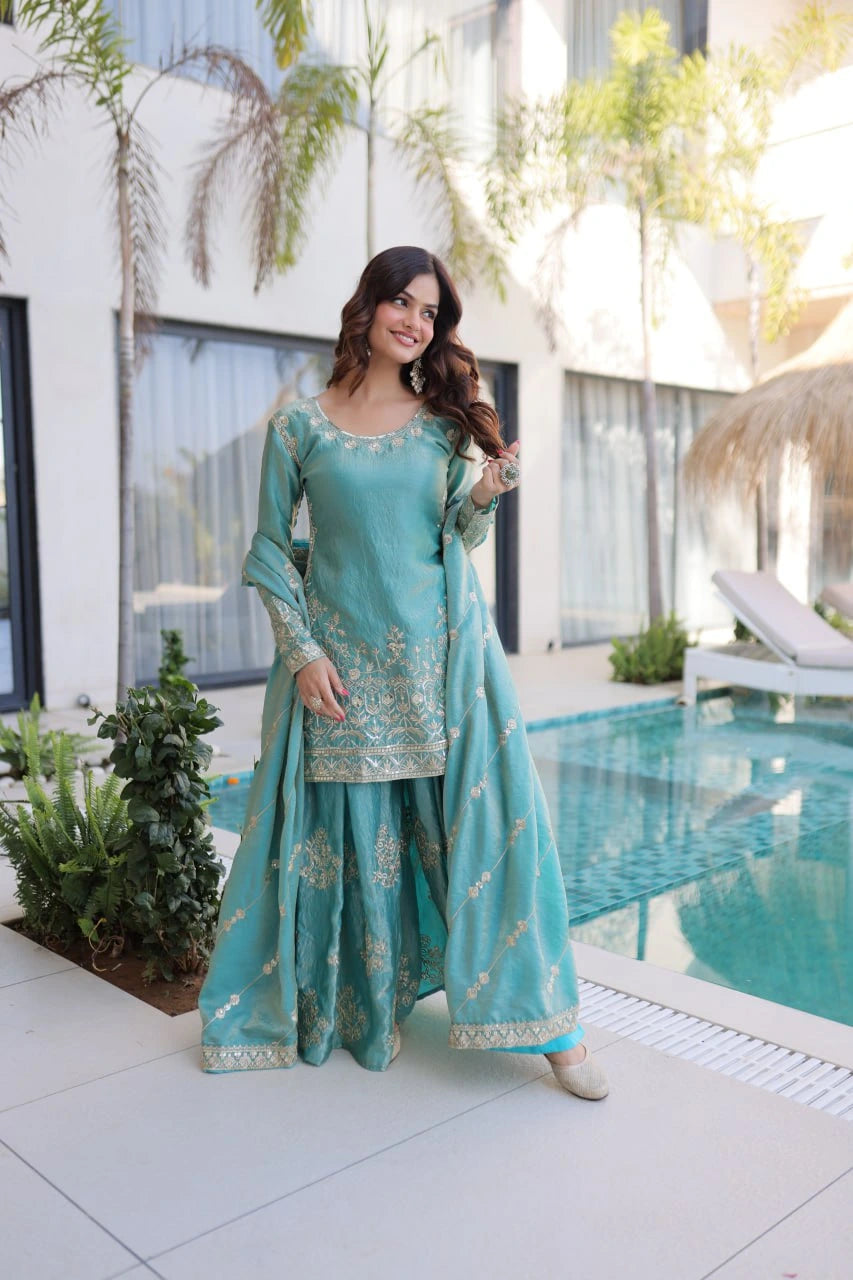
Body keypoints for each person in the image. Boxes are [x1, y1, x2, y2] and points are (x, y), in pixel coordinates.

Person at [199, 245, 609, 1101]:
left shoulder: (442, 424)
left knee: (488, 837)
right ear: (369, 306)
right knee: (354, 845)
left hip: (440, 668)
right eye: (404, 303)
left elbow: (448, 536)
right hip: (342, 677)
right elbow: (272, 552)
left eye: (431, 314)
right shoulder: (298, 428)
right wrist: (302, 653)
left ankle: (553, 1031)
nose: (416, 323)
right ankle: (367, 1005)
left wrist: (485, 493)